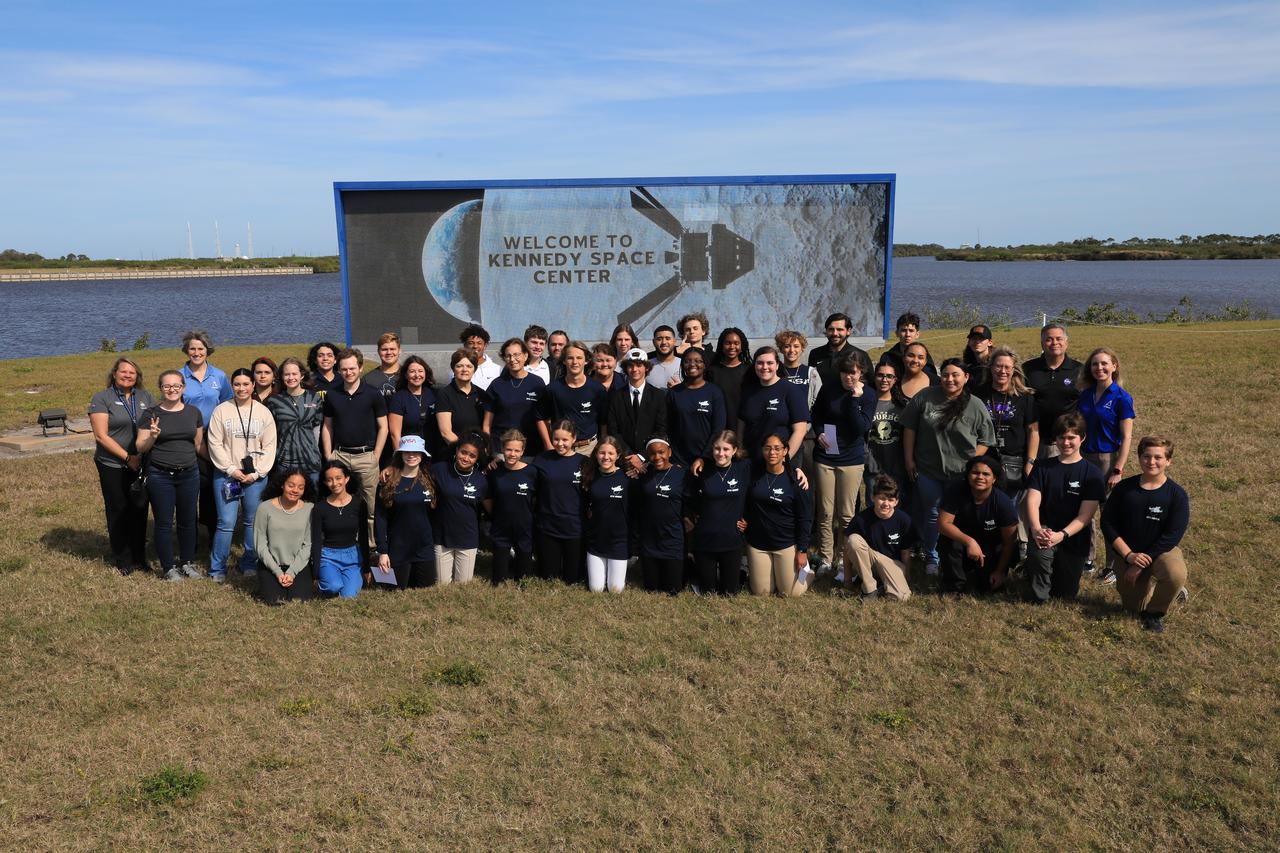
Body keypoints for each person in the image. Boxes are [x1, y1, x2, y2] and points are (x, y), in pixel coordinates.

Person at [901, 358, 996, 576]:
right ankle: (932, 557)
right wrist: (909, 460)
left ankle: (956, 556)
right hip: (928, 470)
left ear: (966, 377)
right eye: (945, 375)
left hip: (962, 474)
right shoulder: (925, 397)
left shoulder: (975, 404)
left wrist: (972, 460)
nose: (950, 379)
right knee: (932, 514)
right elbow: (909, 429)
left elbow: (986, 440)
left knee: (957, 516)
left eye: (955, 375)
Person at [1101, 436, 1190, 633]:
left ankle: (1155, 613)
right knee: (1133, 609)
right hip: (1128, 553)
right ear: (1139, 458)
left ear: (1169, 461)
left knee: (1175, 574)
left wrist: (1142, 562)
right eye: (1146, 456)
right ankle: (1163, 593)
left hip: (1161, 551)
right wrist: (1129, 556)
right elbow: (1107, 524)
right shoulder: (1124, 489)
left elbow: (1173, 535)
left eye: (1158, 457)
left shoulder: (1177, 495)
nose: (1151, 462)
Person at [1024, 413, 1106, 603]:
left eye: (1071, 438)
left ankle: (1049, 572)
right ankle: (1039, 594)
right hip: (1045, 530)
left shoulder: (1092, 473)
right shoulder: (1042, 467)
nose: (1066, 442)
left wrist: (1061, 535)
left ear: (1082, 438)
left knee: (1066, 594)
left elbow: (1085, 515)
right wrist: (1036, 529)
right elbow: (1033, 501)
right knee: (1040, 556)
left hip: (1073, 537)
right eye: (1061, 437)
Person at [207, 367, 277, 582]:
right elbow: (215, 443)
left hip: (255, 478)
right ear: (232, 386)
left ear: (253, 385)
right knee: (226, 522)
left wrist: (256, 473)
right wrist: (231, 470)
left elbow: (270, 445)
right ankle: (217, 568)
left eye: (246, 384)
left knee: (252, 522)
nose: (241, 388)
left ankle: (249, 562)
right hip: (227, 475)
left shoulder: (263, 412)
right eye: (237, 384)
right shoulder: (221, 410)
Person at [88, 357, 156, 575]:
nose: (127, 375)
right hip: (113, 464)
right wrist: (128, 457)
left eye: (132, 373)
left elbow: (154, 425)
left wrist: (140, 456)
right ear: (114, 373)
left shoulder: (145, 397)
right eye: (123, 372)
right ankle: (123, 558)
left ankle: (139, 557)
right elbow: (101, 436)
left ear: (138, 377)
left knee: (139, 508)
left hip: (141, 463)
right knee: (118, 509)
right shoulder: (102, 398)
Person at [810, 351, 876, 575]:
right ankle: (826, 557)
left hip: (851, 458)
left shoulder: (868, 396)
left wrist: (854, 399)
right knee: (826, 511)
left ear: (861, 373)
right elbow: (816, 414)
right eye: (845, 373)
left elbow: (860, 428)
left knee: (846, 513)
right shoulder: (829, 388)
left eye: (853, 373)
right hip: (826, 455)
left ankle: (843, 557)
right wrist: (818, 432)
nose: (848, 377)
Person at [135, 369, 203, 581]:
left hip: (189, 474)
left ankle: (187, 562)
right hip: (161, 475)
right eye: (167, 386)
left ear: (183, 387)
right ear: (161, 388)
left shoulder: (193, 412)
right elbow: (140, 446)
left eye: (176, 386)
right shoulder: (151, 414)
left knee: (188, 521)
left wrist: (222, 464)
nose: (172, 389)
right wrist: (153, 437)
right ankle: (168, 567)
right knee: (164, 523)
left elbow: (199, 444)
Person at [1076, 346, 1137, 580]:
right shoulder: (1086, 394)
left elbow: (1127, 437)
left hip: (1107, 459)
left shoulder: (1121, 397)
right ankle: (1087, 558)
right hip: (1084, 457)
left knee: (1109, 515)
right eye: (1095, 364)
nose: (1099, 368)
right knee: (1085, 511)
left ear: (1114, 366)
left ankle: (1113, 565)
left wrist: (1118, 469)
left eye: (1104, 363)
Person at [321, 348, 388, 544]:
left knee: (370, 505)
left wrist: (376, 455)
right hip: (339, 456)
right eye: (344, 369)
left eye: (352, 368)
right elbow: (327, 426)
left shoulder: (373, 394)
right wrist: (328, 455)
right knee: (338, 500)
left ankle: (371, 545)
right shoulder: (332, 395)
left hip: (366, 456)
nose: (348, 372)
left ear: (360, 368)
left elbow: (383, 426)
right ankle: (343, 540)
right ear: (339, 370)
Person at [744, 434, 814, 597]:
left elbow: (805, 518)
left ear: (785, 451)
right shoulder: (753, 475)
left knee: (791, 593)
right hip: (758, 545)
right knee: (762, 592)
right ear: (762, 451)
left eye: (777, 448)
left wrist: (802, 550)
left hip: (786, 544)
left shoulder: (795, 481)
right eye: (767, 448)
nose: (772, 452)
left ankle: (808, 572)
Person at [937, 456, 1019, 594]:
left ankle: (993, 575)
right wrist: (970, 542)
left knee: (987, 588)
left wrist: (999, 572)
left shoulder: (1003, 502)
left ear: (994, 479)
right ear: (968, 476)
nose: (980, 477)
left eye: (986, 474)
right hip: (963, 545)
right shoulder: (956, 491)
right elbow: (943, 524)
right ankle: (955, 586)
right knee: (948, 541)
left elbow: (1009, 542)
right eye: (975, 473)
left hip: (990, 549)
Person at [179, 330, 232, 539]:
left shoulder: (219, 376)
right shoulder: (179, 376)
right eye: (192, 348)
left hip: (213, 439)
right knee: (190, 491)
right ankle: (189, 538)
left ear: (207, 350)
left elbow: (227, 403)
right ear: (186, 350)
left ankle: (212, 537)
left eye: (200, 348)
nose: (196, 352)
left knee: (211, 488)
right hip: (187, 439)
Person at [687, 431, 751, 595]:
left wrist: (796, 470)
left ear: (734, 450)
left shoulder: (744, 468)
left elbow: (772, 467)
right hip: (705, 540)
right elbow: (688, 497)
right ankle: (694, 565)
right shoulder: (702, 470)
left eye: (726, 449)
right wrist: (689, 516)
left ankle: (741, 573)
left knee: (730, 593)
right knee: (708, 592)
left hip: (732, 539)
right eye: (717, 449)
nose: (721, 453)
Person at [375, 435, 437, 590]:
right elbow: (380, 519)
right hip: (397, 549)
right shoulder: (386, 482)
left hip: (424, 548)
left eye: (416, 452)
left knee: (426, 593)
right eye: (406, 452)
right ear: (400, 455)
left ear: (422, 455)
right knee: (391, 593)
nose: (411, 456)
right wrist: (383, 551)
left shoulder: (431, 480)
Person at [976, 347, 1039, 499]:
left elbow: (1033, 431)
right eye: (998, 366)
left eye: (1007, 367)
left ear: (1014, 370)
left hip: (1013, 462)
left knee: (1009, 510)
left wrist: (1030, 461)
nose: (1002, 371)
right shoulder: (978, 394)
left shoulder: (1025, 397)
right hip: (984, 461)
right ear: (990, 368)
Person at [531, 419, 587, 583]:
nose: (560, 444)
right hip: (548, 526)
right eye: (556, 439)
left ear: (574, 439)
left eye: (565, 440)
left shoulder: (584, 462)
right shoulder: (542, 459)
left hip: (574, 527)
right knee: (548, 577)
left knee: (573, 579)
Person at [842, 474, 914, 600]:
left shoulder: (904, 520)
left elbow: (905, 553)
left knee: (902, 597)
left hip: (892, 564)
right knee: (853, 540)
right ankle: (870, 590)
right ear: (873, 497)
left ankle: (881, 587)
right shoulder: (861, 519)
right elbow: (847, 550)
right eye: (882, 498)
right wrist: (847, 582)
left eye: (891, 500)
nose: (886, 503)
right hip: (869, 563)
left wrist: (906, 578)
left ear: (896, 502)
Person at [430, 435, 489, 585]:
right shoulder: (440, 469)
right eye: (463, 452)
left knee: (463, 586)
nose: (466, 458)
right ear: (456, 451)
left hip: (467, 537)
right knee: (441, 584)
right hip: (442, 536)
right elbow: (413, 471)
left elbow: (490, 509)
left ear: (477, 459)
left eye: (472, 456)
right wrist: (392, 467)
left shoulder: (481, 480)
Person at [634, 437, 689, 595]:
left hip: (672, 538)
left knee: (672, 589)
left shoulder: (682, 474)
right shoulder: (644, 473)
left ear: (670, 452)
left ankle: (688, 563)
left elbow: (690, 499)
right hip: (650, 539)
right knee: (651, 588)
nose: (657, 457)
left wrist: (687, 516)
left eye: (661, 452)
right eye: (652, 453)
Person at [253, 468, 316, 604]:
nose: (295, 490)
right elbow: (260, 545)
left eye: (300, 487)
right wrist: (277, 572)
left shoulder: (310, 509)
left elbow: (308, 545)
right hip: (271, 565)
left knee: (299, 600)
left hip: (298, 566)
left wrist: (291, 572)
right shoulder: (264, 508)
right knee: (275, 600)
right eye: (291, 485)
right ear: (282, 484)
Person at [737, 346, 809, 463]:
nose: (765, 367)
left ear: (777, 365)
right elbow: (741, 421)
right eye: (760, 363)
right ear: (754, 365)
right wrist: (739, 446)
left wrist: (784, 459)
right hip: (752, 457)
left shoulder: (791, 390)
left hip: (782, 461)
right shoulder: (748, 391)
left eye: (769, 363)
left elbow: (800, 430)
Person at [1022, 323, 1082, 459]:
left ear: (1066, 342)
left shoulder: (1079, 370)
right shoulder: (1028, 369)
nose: (1054, 343)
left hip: (1067, 441)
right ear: (1042, 344)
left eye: (1059, 339)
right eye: (1049, 339)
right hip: (1035, 439)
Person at [537, 341, 607, 456]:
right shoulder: (552, 389)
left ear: (586, 360)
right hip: (560, 448)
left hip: (589, 449)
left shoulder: (597, 389)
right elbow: (540, 418)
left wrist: (601, 445)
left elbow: (603, 422)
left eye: (579, 358)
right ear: (564, 361)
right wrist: (548, 445)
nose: (575, 362)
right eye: (570, 358)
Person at [485, 429, 537, 584]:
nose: (512, 454)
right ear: (502, 449)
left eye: (516, 450)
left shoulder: (532, 472)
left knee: (523, 580)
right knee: (498, 580)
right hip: (501, 528)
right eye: (508, 449)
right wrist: (496, 514)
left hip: (524, 527)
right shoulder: (495, 472)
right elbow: (487, 498)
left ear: (522, 451)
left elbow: (537, 498)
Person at [311, 459, 369, 598]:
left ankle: (351, 578)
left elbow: (363, 537)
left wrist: (366, 567)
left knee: (348, 596)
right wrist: (316, 573)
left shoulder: (359, 503)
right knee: (333, 587)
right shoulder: (320, 507)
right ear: (325, 482)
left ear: (347, 478)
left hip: (352, 556)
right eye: (329, 480)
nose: (334, 483)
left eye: (338, 478)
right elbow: (317, 540)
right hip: (329, 556)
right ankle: (329, 581)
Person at [582, 437, 632, 593]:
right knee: (596, 589)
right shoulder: (589, 476)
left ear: (618, 455)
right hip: (596, 540)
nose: (606, 457)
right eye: (602, 453)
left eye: (610, 453)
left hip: (618, 541)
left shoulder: (628, 478)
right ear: (596, 454)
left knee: (615, 589)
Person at [606, 348, 668, 473]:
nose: (635, 370)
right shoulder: (615, 396)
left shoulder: (658, 396)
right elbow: (613, 430)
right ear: (625, 368)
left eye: (639, 365)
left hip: (650, 461)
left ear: (646, 368)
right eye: (630, 366)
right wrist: (629, 457)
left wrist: (641, 456)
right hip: (624, 461)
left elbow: (661, 429)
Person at [483, 339, 545, 457]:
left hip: (531, 449)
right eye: (508, 356)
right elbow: (487, 424)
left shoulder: (537, 383)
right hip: (502, 449)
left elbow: (544, 419)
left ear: (526, 355)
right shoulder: (496, 385)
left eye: (516, 355)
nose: (512, 359)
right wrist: (489, 448)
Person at [666, 348, 727, 467]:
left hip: (708, 460)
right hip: (679, 461)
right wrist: (674, 458)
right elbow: (667, 428)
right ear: (682, 365)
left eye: (698, 361)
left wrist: (704, 457)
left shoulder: (714, 392)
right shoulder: (674, 393)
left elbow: (718, 429)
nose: (692, 364)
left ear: (705, 365)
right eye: (687, 361)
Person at [267, 357, 323, 483]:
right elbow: (271, 432)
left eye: (294, 374)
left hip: (310, 462)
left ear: (302, 375)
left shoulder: (314, 398)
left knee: (311, 501)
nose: (290, 377)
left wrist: (314, 453)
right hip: (285, 462)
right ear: (281, 377)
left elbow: (316, 430)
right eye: (287, 374)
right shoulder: (274, 401)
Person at [776, 330, 823, 477]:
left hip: (807, 436)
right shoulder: (775, 372)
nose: (792, 350)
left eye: (796, 346)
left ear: (802, 348)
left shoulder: (811, 373)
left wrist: (806, 427)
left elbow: (819, 403)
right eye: (787, 346)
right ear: (781, 348)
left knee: (807, 477)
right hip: (781, 432)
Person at [864, 360, 909, 505]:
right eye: (880, 375)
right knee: (874, 507)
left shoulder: (902, 406)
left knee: (895, 508)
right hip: (873, 468)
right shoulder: (866, 402)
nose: (884, 380)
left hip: (897, 469)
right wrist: (867, 461)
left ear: (895, 380)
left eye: (889, 376)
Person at [386, 354, 439, 462]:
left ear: (426, 373)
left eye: (420, 371)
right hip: (409, 455)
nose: (417, 375)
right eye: (412, 371)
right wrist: (399, 460)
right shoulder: (399, 398)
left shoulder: (435, 394)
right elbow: (395, 434)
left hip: (432, 452)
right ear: (405, 375)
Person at [435, 349, 490, 448]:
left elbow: (487, 428)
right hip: (454, 452)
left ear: (474, 370)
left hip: (479, 452)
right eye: (459, 366)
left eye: (469, 366)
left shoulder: (482, 395)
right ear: (453, 369)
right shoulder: (444, 394)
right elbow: (446, 432)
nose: (464, 370)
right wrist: (467, 450)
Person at [809, 312, 869, 388]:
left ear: (848, 331)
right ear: (826, 331)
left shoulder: (860, 355)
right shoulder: (815, 354)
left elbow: (869, 384)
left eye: (839, 329)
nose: (835, 333)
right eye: (831, 329)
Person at [877, 312, 937, 379]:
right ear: (897, 333)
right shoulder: (888, 357)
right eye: (904, 330)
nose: (907, 334)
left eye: (911, 331)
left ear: (917, 334)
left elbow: (932, 379)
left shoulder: (924, 357)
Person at [709, 327, 750, 423]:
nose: (732, 347)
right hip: (719, 426)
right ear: (721, 345)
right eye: (728, 343)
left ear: (742, 345)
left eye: (736, 343)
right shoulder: (712, 371)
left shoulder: (749, 371)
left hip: (744, 426)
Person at [459, 324, 503, 390]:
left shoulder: (498, 370)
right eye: (471, 343)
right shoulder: (458, 370)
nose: (475, 346)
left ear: (485, 345)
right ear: (465, 345)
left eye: (479, 343)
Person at [364, 332, 402, 398]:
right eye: (384, 349)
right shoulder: (368, 380)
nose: (389, 352)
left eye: (392, 349)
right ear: (378, 351)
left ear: (399, 351)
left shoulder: (408, 375)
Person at [647, 325, 682, 389]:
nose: (664, 342)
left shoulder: (684, 364)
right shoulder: (645, 366)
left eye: (668, 338)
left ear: (674, 341)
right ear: (653, 342)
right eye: (659, 339)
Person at [962, 325, 995, 391]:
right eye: (974, 338)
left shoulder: (997, 364)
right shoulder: (965, 366)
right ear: (969, 342)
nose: (977, 342)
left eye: (981, 338)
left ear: (990, 342)